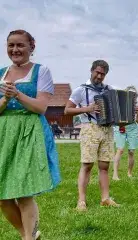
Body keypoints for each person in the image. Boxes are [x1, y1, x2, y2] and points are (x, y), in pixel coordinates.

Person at [0, 29, 60, 240]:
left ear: (31, 47)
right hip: (4, 134)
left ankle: (29, 238)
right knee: (2, 196)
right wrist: (6, 100)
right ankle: (29, 235)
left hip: (29, 133)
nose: (15, 49)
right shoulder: (1, 73)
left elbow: (41, 107)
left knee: (25, 193)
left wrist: (17, 93)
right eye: (11, 45)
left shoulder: (41, 71)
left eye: (20, 45)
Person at [64, 59, 119, 211]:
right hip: (89, 128)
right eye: (98, 73)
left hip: (107, 130)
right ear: (92, 70)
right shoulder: (81, 90)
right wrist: (86, 109)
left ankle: (105, 198)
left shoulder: (109, 90)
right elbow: (67, 110)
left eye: (103, 74)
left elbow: (116, 110)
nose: (100, 77)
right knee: (87, 165)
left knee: (104, 166)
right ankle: (81, 201)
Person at [113, 86, 138, 180]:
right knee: (120, 150)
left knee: (131, 151)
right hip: (121, 127)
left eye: (134, 95)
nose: (133, 97)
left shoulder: (137, 106)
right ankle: (115, 175)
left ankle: (129, 173)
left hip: (132, 127)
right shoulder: (120, 103)